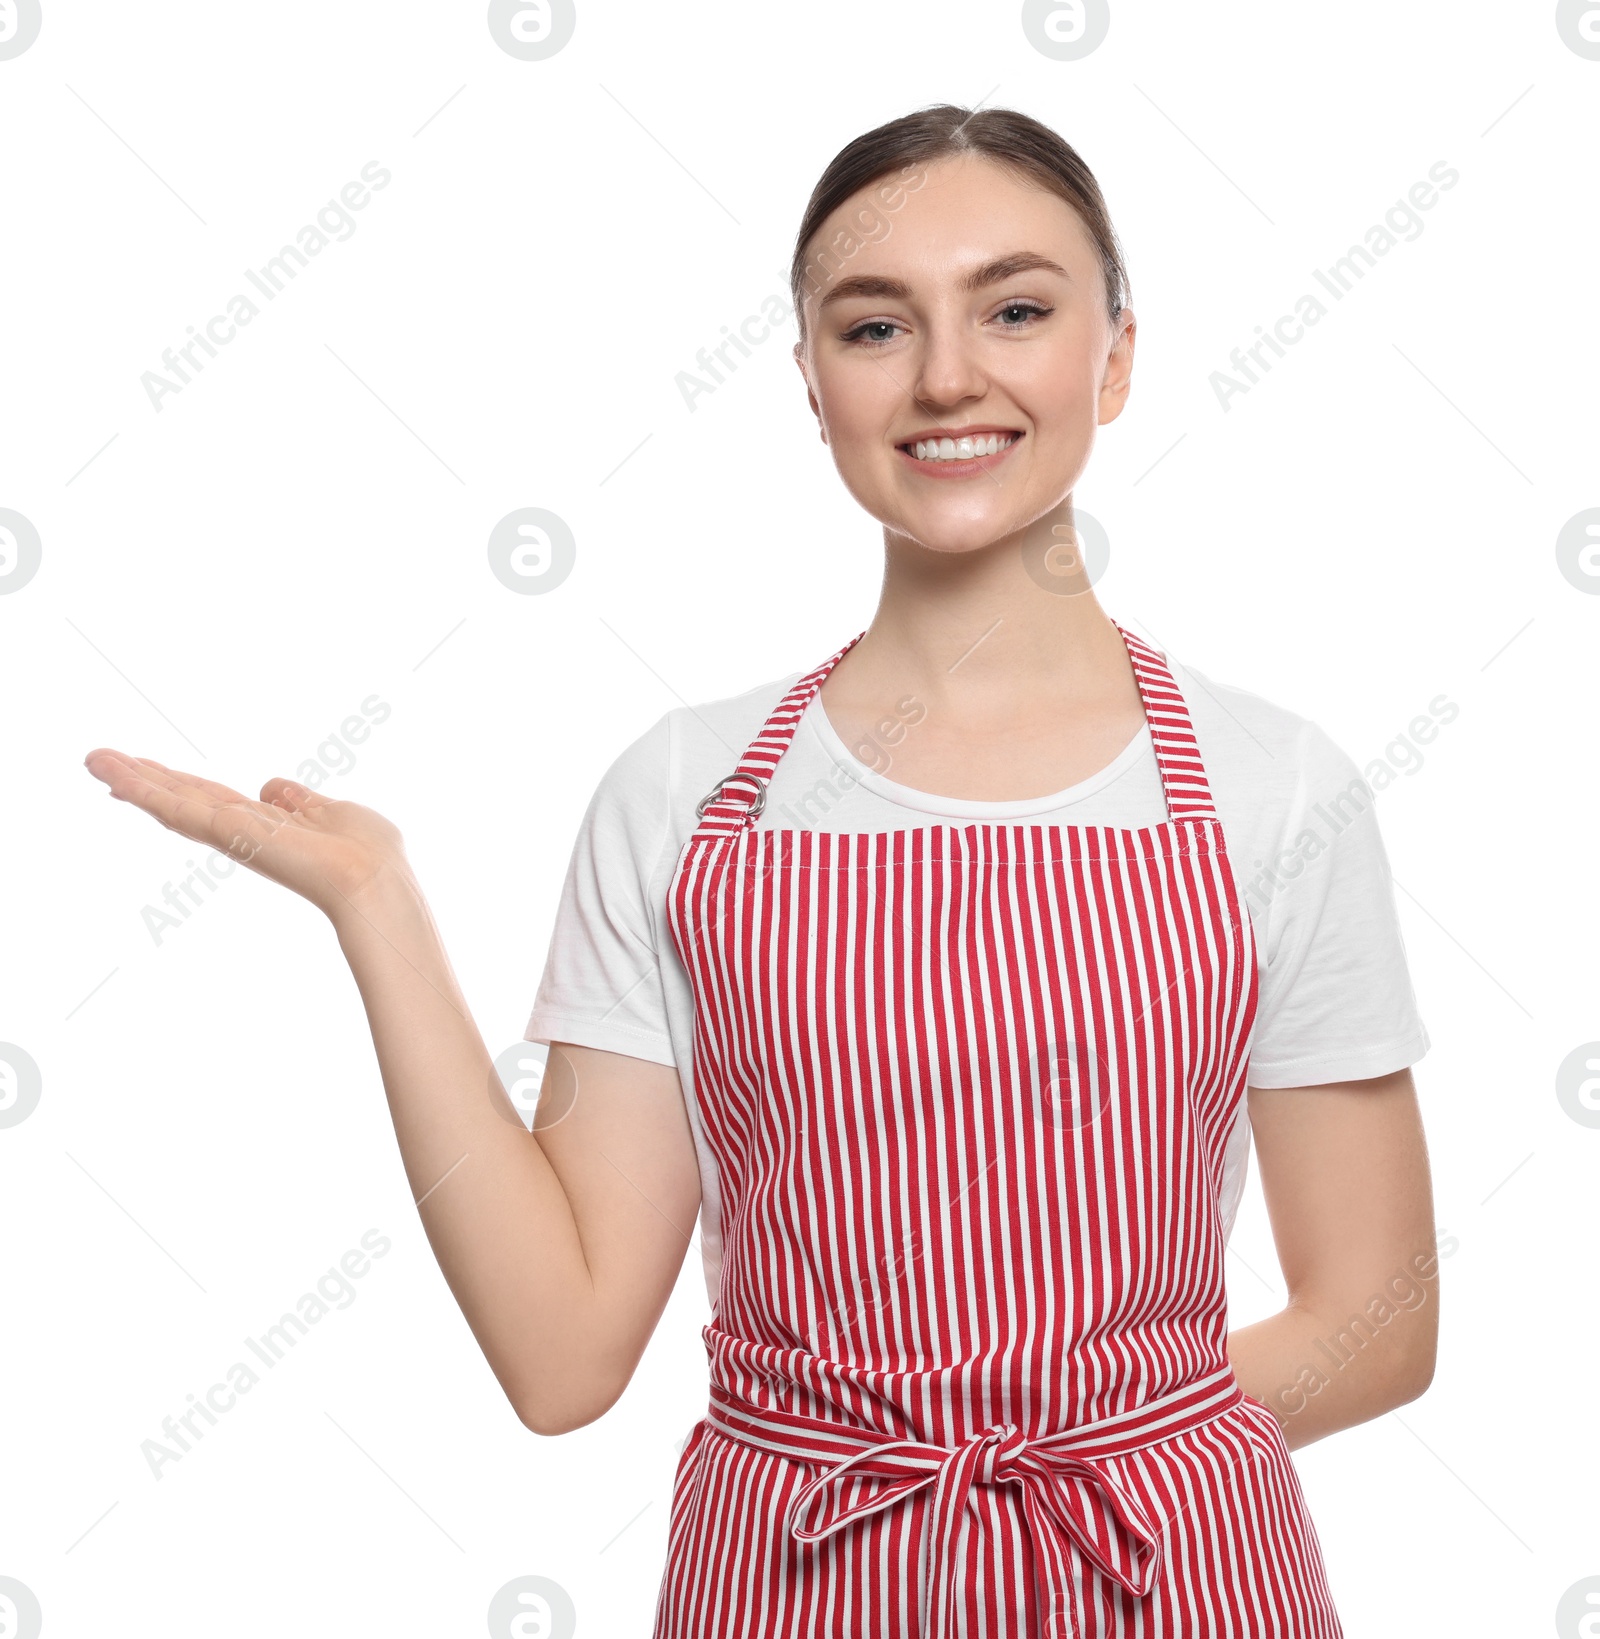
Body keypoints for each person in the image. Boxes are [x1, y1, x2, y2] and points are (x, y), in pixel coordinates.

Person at [85, 102, 1438, 1639]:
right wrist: (377, 909)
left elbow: (1375, 1325)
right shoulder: (681, 796)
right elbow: (562, 1357)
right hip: (792, 1581)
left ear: (1115, 355)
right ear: (809, 381)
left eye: (1016, 308)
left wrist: (1059, 1455)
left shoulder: (1276, 792)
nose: (947, 375)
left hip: (1171, 1571)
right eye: (875, 325)